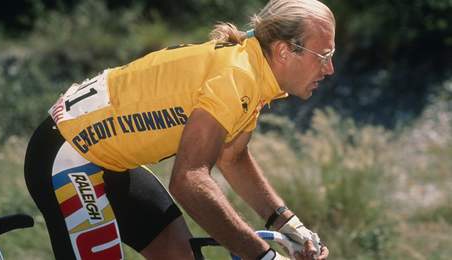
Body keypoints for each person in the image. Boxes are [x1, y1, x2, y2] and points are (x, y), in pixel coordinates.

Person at [24, 0, 335, 259]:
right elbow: (188, 181)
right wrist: (264, 256)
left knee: (180, 254)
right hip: (67, 156)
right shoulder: (236, 77)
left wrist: (290, 226)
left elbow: (233, 157)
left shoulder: (253, 72)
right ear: (283, 51)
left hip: (109, 161)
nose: (330, 68)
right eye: (324, 56)